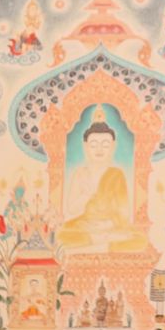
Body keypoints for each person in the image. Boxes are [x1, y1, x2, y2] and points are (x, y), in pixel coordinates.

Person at [57, 106, 148, 252]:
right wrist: (86, 195)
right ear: (86, 146)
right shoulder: (80, 174)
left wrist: (108, 224)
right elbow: (72, 209)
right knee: (61, 235)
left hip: (111, 226)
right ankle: (103, 244)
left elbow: (123, 211)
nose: (99, 150)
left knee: (140, 239)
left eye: (105, 145)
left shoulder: (116, 174)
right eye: (94, 145)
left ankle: (91, 245)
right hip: (85, 225)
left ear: (113, 146)